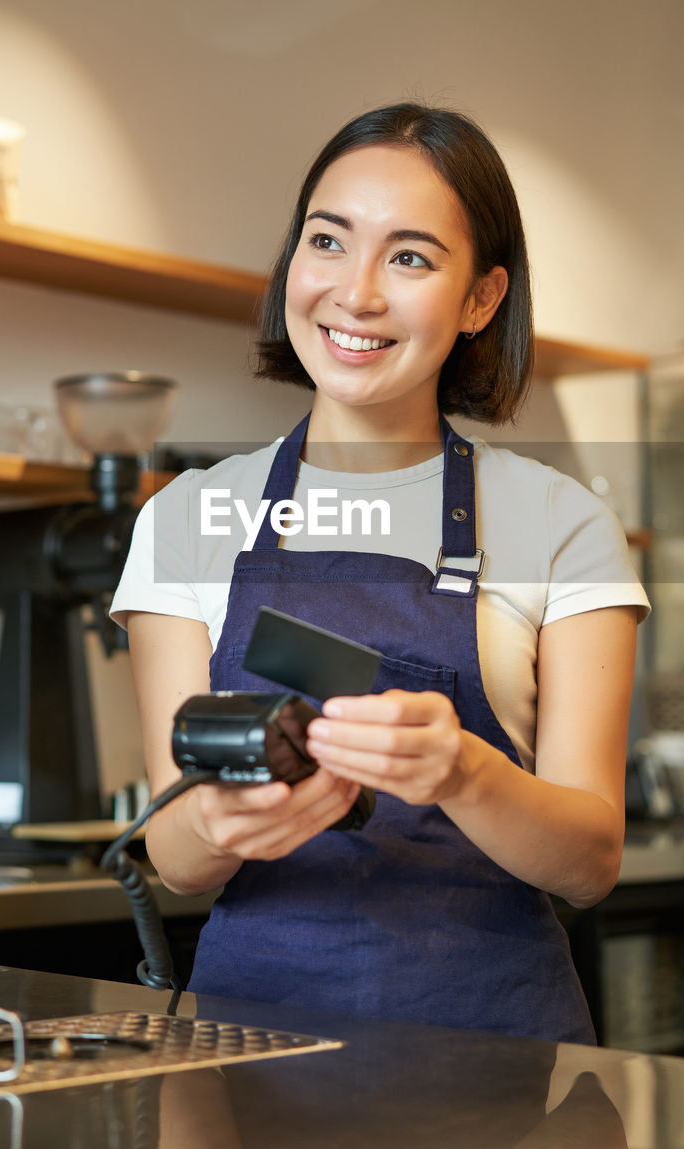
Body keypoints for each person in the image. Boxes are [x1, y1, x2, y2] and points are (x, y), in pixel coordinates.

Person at [111, 103, 649, 1043]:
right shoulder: (186, 519)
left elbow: (589, 860)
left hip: (498, 1067)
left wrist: (464, 772)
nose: (354, 294)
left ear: (480, 299)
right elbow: (173, 852)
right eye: (328, 241)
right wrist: (223, 829)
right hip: (247, 1057)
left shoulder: (563, 525)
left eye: (409, 257)